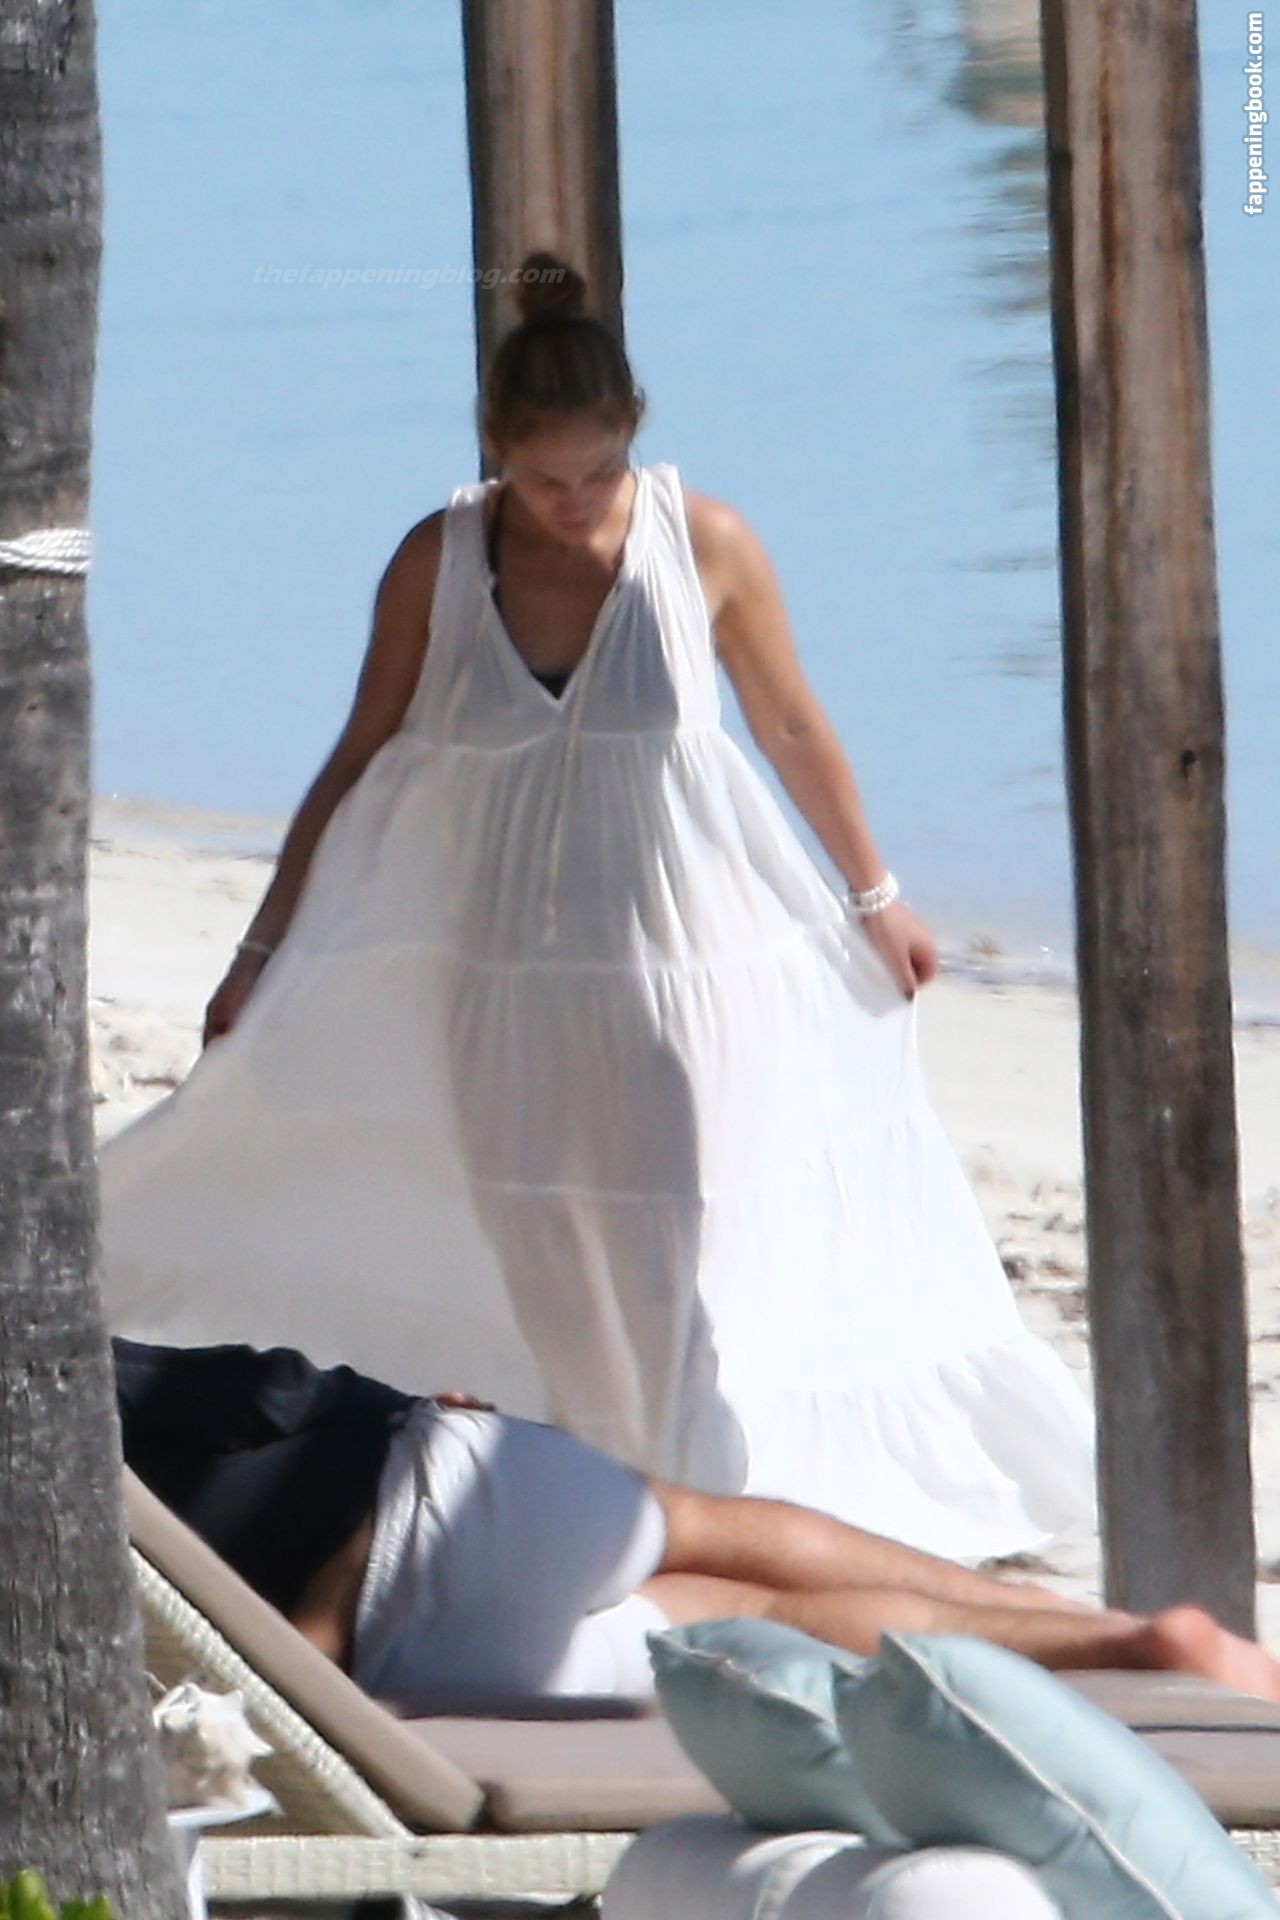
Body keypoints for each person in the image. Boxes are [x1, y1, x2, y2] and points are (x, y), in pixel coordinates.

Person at [98, 248, 1094, 1559]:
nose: (572, 505)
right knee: (543, 1261)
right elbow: (356, 761)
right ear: (495, 451)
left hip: (681, 972)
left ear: (635, 434)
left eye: (598, 473)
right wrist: (258, 955)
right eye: (543, 481)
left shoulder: (706, 543)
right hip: (496, 979)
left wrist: (877, 895)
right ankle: (606, 1519)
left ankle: (689, 1511)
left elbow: (791, 726)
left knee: (672, 1251)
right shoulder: (439, 559)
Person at [114, 1336, 1278, 1709]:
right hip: (438, 1501)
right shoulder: (50, 1371)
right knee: (713, 1533)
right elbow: (263, 1394)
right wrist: (386, 1405)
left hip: (386, 1678)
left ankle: (1100, 1654)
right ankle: (1100, 1628)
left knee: (749, 1622)